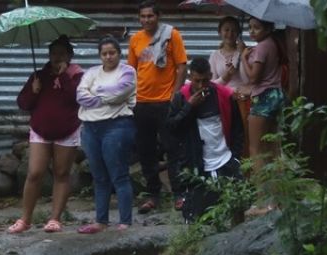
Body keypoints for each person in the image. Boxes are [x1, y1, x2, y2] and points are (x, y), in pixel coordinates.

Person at [9, 36, 83, 234]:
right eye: (54, 53)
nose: (57, 57)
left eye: (62, 54)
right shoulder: (39, 75)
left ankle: (54, 219)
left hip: (67, 130)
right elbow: (23, 104)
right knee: (34, 173)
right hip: (41, 130)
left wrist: (64, 77)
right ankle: (25, 219)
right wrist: (33, 91)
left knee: (61, 173)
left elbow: (77, 98)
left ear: (69, 56)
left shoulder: (76, 75)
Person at [167, 57, 245, 223]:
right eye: (197, 81)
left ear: (211, 75)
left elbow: (238, 129)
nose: (202, 85)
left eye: (205, 80)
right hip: (197, 165)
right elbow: (172, 129)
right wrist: (189, 107)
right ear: (190, 77)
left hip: (226, 161)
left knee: (238, 209)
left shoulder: (223, 95)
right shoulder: (181, 98)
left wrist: (236, 157)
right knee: (197, 218)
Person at [128, 1, 188, 213]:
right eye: (143, 16)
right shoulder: (135, 39)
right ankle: (153, 194)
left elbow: (182, 66)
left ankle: (179, 193)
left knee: (173, 148)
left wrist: (175, 95)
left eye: (150, 16)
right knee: (146, 150)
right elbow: (132, 70)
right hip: (141, 102)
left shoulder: (172, 35)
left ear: (158, 16)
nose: (146, 20)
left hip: (165, 102)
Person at [76, 36, 137, 234]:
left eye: (112, 53)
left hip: (117, 125)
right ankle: (100, 221)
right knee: (99, 176)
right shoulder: (92, 72)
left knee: (119, 174)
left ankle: (125, 221)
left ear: (119, 53)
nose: (108, 57)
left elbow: (120, 93)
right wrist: (105, 97)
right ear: (100, 56)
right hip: (90, 128)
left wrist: (96, 94)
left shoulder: (127, 71)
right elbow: (80, 96)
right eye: (104, 53)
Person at [243, 16, 284, 175]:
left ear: (268, 29)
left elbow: (253, 78)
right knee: (273, 148)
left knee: (256, 149)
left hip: (263, 98)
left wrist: (243, 58)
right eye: (250, 27)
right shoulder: (273, 44)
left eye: (256, 27)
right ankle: (278, 195)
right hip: (275, 96)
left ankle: (262, 197)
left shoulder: (261, 47)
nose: (252, 31)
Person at [209, 15, 254, 143]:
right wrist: (225, 77)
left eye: (234, 30)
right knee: (226, 134)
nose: (230, 33)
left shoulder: (245, 52)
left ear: (238, 33)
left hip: (242, 100)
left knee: (244, 134)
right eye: (226, 30)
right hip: (223, 101)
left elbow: (248, 80)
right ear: (220, 32)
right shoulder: (214, 56)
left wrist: (243, 56)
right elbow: (211, 85)